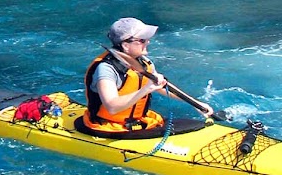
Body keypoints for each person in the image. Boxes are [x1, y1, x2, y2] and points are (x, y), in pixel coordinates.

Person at [81, 16, 213, 136]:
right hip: (106, 126)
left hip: (138, 123)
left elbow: (161, 86)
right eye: (142, 40)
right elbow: (112, 106)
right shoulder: (106, 69)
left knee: (193, 125)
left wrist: (196, 104)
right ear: (126, 45)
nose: (148, 42)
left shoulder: (142, 62)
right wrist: (146, 89)